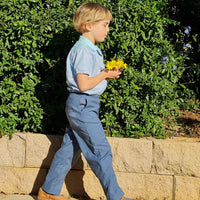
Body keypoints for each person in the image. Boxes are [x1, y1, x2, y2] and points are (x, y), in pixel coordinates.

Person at [38, 2, 144, 200]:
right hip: (83, 104)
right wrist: (104, 74)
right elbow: (84, 84)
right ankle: (116, 196)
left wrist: (105, 74)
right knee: (100, 150)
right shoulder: (85, 50)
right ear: (88, 25)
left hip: (82, 104)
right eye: (104, 24)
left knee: (70, 149)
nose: (108, 29)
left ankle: (48, 192)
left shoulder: (88, 48)